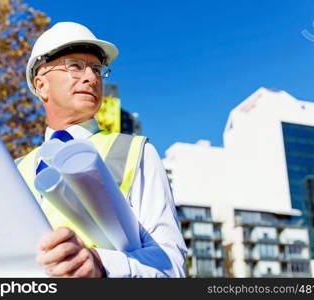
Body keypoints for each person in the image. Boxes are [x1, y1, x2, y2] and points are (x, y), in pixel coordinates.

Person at [17, 22, 187, 278]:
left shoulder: (135, 152)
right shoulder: (16, 171)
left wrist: (101, 264)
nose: (91, 77)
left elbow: (171, 267)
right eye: (75, 66)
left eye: (97, 69)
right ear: (41, 85)